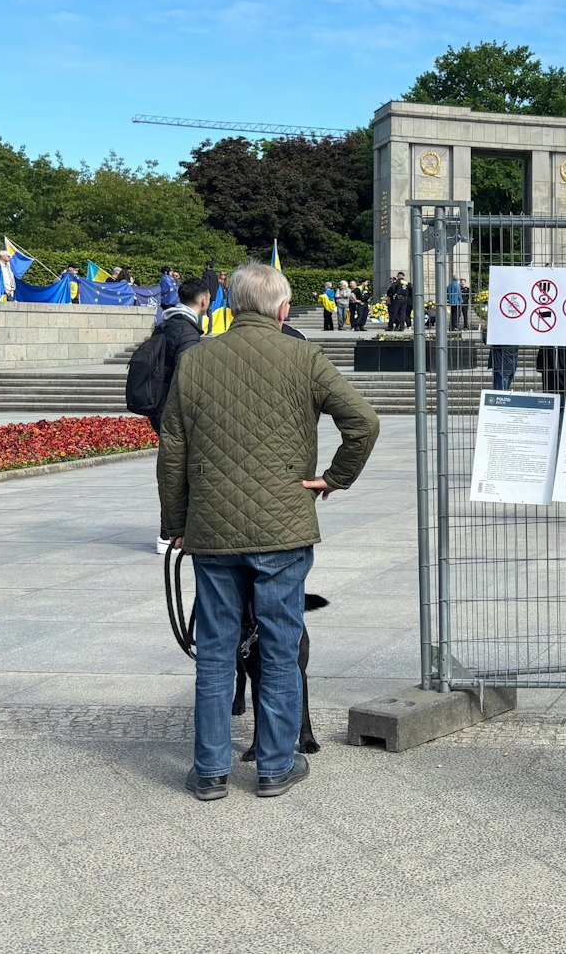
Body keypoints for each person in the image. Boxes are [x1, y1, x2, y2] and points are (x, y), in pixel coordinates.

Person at [158, 262, 380, 801]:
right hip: (284, 525)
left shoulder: (195, 359)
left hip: (211, 530)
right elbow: (364, 422)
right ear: (283, 310)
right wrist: (333, 479)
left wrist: (175, 524)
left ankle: (210, 771)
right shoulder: (303, 355)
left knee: (214, 651)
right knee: (280, 649)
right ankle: (275, 767)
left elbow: (172, 451)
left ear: (230, 306)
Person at [145, 278, 211, 551]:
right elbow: (189, 377)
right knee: (180, 472)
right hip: (176, 411)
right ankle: (169, 533)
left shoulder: (166, 324)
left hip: (160, 406)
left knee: (176, 469)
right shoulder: (186, 332)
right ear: (204, 300)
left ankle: (173, 531)